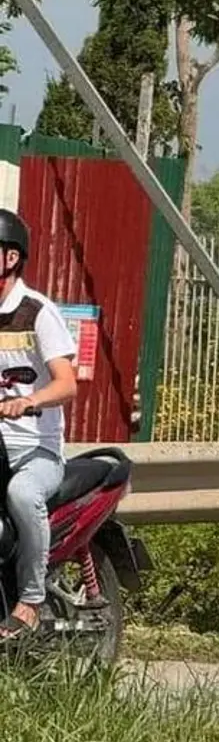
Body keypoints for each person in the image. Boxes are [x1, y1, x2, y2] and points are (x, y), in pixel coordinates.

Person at [0, 210, 77, 641]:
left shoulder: (37, 312)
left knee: (22, 493)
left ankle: (30, 600)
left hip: (36, 451)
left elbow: (67, 385)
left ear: (10, 258)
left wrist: (29, 401)